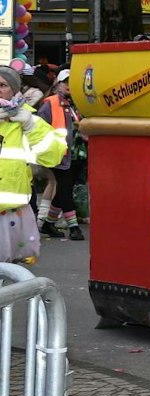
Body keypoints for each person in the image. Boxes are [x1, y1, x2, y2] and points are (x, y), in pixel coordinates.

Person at [0, 67, 63, 264]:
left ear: (15, 89)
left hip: (9, 214)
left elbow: (54, 155)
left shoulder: (28, 120)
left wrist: (30, 126)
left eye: (2, 85)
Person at [35, 71, 80, 240]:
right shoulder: (51, 103)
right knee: (65, 189)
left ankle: (48, 223)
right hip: (58, 154)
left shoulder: (75, 103)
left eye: (71, 82)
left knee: (62, 191)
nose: (68, 86)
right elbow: (39, 127)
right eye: (65, 82)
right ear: (57, 84)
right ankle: (74, 226)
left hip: (75, 154)